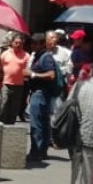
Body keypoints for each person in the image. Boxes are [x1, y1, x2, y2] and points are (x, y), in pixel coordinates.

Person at [25, 31, 58, 162]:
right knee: (43, 123)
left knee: (36, 123)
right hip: (38, 93)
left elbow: (51, 75)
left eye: (33, 43)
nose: (31, 46)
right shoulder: (38, 56)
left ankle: (36, 151)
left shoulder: (46, 57)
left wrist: (32, 74)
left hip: (41, 93)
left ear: (40, 44)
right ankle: (41, 150)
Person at [0, 33, 29, 124]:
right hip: (6, 84)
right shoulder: (5, 54)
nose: (18, 45)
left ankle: (10, 126)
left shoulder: (26, 55)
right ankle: (1, 124)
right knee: (4, 105)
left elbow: (28, 68)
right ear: (12, 43)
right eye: (16, 43)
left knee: (14, 108)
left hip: (19, 86)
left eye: (20, 43)